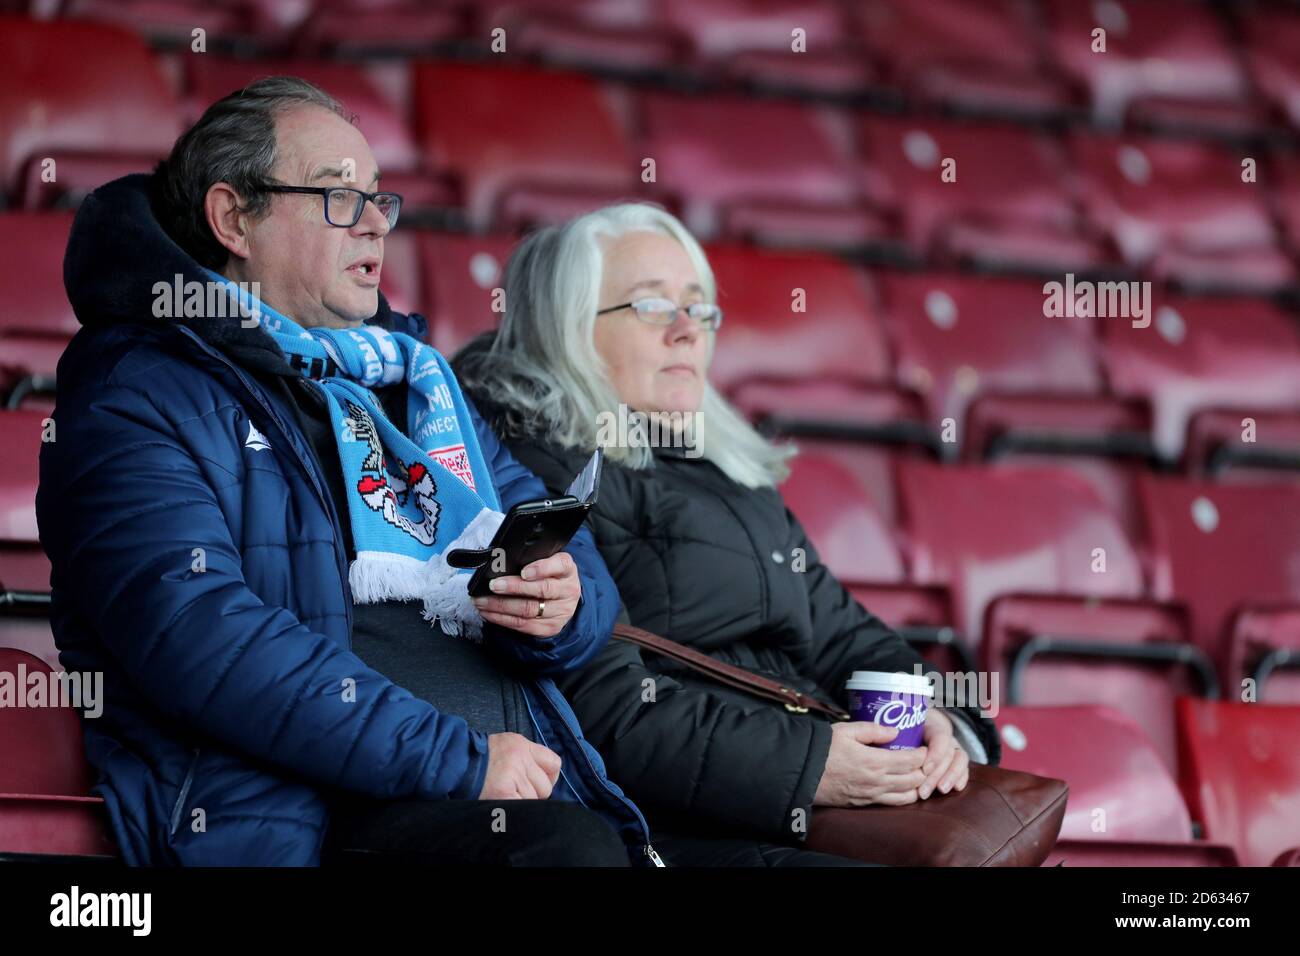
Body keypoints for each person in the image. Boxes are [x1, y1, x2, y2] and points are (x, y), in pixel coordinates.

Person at [36, 77, 657, 867]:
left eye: (378, 199)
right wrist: (457, 759)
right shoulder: (132, 395)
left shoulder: (413, 383)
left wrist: (558, 605)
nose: (373, 224)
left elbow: (579, 569)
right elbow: (205, 640)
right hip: (304, 820)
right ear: (234, 219)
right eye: (336, 197)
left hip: (513, 796)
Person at [453, 203, 1003, 867]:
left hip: (811, 805)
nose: (688, 331)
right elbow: (605, 710)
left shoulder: (729, 469)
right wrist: (807, 770)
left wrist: (935, 717)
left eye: (700, 309)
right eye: (652, 307)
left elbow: (842, 632)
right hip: (684, 827)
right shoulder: (534, 470)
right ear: (566, 328)